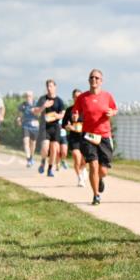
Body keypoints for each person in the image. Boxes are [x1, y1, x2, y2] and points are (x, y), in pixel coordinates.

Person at [72, 69, 117, 205]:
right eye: (92, 77)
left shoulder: (107, 96)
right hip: (88, 136)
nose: (94, 80)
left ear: (101, 81)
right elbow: (76, 110)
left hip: (104, 135)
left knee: (103, 170)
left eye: (97, 78)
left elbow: (114, 109)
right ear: (88, 80)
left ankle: (100, 179)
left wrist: (112, 112)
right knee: (93, 165)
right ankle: (96, 195)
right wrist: (75, 116)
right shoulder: (82, 97)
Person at [33, 80, 65, 177]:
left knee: (54, 149)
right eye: (47, 86)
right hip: (44, 127)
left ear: (55, 87)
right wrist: (44, 106)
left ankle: (50, 169)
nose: (49, 88)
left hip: (55, 127)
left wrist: (57, 116)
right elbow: (36, 112)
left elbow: (62, 114)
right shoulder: (43, 99)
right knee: (45, 148)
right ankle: (43, 161)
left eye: (51, 86)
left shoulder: (59, 101)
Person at [62, 89, 88, 187]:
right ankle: (80, 178)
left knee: (85, 159)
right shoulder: (69, 110)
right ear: (73, 98)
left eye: (79, 96)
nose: (77, 98)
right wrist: (68, 127)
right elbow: (64, 124)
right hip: (74, 138)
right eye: (75, 96)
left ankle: (84, 168)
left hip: (85, 137)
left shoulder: (86, 110)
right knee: (77, 158)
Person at [17, 91, 39, 167]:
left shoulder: (36, 103)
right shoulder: (22, 105)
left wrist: (36, 112)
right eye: (26, 96)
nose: (28, 97)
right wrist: (19, 120)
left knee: (33, 144)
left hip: (34, 126)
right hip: (25, 125)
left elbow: (40, 113)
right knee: (26, 142)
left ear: (32, 96)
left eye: (29, 96)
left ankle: (32, 157)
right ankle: (28, 159)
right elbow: (19, 115)